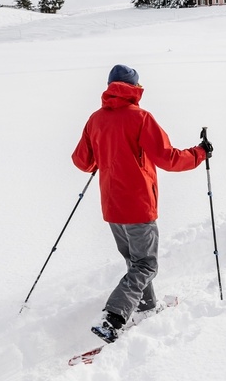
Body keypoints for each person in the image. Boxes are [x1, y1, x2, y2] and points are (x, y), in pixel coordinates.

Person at [71, 64, 212, 343]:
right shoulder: (141, 118)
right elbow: (168, 158)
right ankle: (114, 317)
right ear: (135, 88)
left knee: (134, 261)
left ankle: (146, 306)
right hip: (137, 206)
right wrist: (199, 153)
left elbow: (82, 161)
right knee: (146, 264)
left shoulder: (95, 119)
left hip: (112, 207)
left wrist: (106, 154)